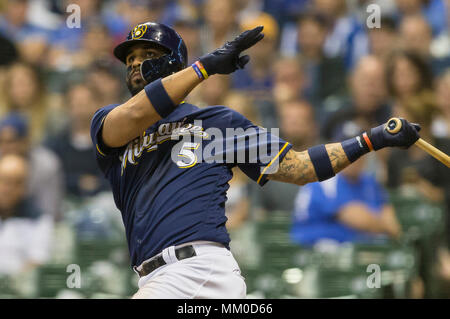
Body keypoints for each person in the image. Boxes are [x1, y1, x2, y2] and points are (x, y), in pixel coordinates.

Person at [90, 21, 421, 299]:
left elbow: (299, 167)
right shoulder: (110, 123)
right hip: (154, 277)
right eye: (130, 57)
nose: (135, 63)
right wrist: (204, 68)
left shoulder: (217, 122)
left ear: (174, 62)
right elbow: (133, 115)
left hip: (198, 271)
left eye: (148, 55)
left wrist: (370, 139)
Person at [290, 141, 401, 246]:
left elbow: (394, 228)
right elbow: (357, 219)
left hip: (360, 251)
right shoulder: (323, 182)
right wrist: (380, 224)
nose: (353, 158)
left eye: (359, 151)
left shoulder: (370, 183)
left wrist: (371, 222)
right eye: (347, 151)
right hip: (317, 248)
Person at [0, 154, 53, 275]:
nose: (7, 189)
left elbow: (37, 261)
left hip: (18, 288)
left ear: (24, 186)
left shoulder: (39, 220)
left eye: (15, 183)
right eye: (3, 181)